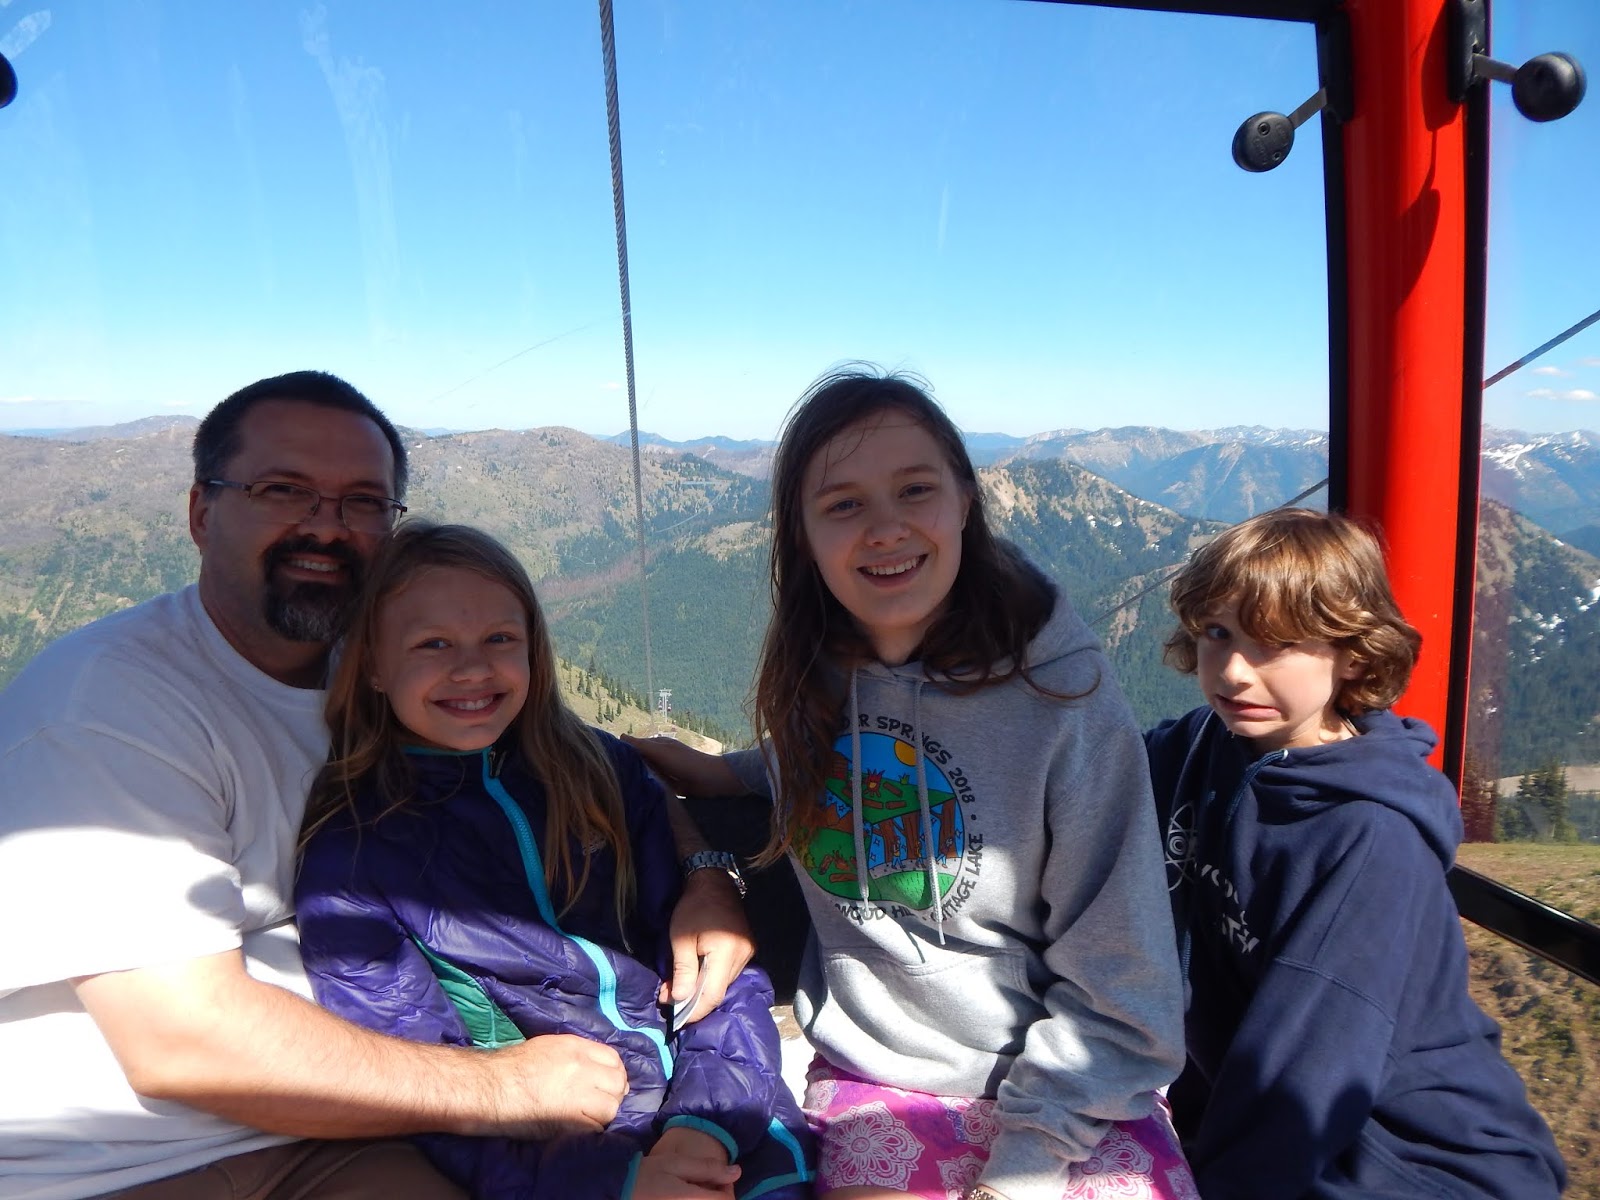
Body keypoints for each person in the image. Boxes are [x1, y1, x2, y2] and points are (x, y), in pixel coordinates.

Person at [0, 371, 753, 1200]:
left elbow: (579, 754)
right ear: (201, 512)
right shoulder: (109, 706)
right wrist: (505, 1087)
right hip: (127, 1162)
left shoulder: (389, 662)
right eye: (282, 489)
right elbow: (181, 1043)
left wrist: (706, 876)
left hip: (362, 1132)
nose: (326, 525)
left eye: (362, 501)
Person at [627, 370, 1193, 1200]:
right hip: (881, 1074)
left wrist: (1021, 1171)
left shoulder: (1062, 696)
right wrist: (725, 773)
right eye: (844, 504)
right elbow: (840, 763)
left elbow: (1127, 988)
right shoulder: (814, 676)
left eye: (915, 490)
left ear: (965, 499)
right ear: (803, 536)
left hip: (1075, 1088)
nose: (885, 529)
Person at [294, 521, 814, 1200]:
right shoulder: (355, 860)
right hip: (569, 1167)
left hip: (737, 1123)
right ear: (372, 666)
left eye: (499, 639)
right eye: (433, 644)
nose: (472, 669)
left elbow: (720, 974)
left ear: (533, 650)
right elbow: (424, 1091)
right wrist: (619, 1181)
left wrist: (704, 1129)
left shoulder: (599, 775)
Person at [1145, 507, 1566, 1197]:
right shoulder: (1206, 744)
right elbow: (1092, 780)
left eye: (1277, 644)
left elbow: (1301, 1076)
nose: (1235, 672)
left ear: (1353, 654)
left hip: (1403, 1156)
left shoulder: (1369, 837)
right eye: (1218, 634)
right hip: (1255, 1128)